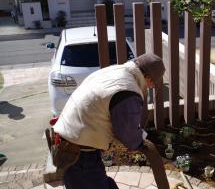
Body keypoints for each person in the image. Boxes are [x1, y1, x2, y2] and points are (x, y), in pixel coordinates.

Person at [53, 53, 169, 189]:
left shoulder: (115, 71)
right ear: (148, 77)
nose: (151, 87)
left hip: (75, 141)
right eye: (153, 84)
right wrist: (142, 142)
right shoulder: (127, 91)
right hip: (79, 153)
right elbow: (128, 134)